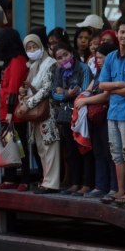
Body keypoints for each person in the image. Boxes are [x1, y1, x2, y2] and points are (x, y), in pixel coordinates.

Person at [97, 21, 125, 205]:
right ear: (117, 33)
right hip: (112, 112)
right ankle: (120, 190)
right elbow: (101, 84)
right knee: (116, 153)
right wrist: (119, 84)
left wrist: (112, 86)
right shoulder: (111, 57)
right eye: (122, 32)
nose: (124, 36)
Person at [74, 42, 119, 199]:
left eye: (101, 57)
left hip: (108, 114)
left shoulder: (113, 70)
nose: (98, 60)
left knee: (110, 152)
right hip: (96, 117)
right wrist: (84, 96)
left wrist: (86, 101)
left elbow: (106, 95)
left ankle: (114, 187)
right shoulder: (99, 72)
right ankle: (100, 185)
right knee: (98, 152)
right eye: (96, 57)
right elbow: (89, 89)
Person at [18, 34, 61, 194]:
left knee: (49, 145)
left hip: (47, 111)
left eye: (34, 47)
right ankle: (46, 180)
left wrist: (28, 103)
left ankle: (51, 183)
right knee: (42, 147)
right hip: (37, 112)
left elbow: (46, 88)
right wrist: (24, 91)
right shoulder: (33, 65)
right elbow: (35, 88)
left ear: (40, 46)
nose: (32, 50)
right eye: (28, 48)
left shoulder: (50, 64)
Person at [51, 43, 92, 195]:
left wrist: (66, 93)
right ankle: (75, 183)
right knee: (71, 151)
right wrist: (68, 94)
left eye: (66, 55)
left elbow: (86, 90)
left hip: (82, 113)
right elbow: (54, 93)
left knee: (84, 148)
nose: (63, 60)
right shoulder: (58, 70)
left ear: (72, 53)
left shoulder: (83, 68)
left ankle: (87, 184)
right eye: (59, 58)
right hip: (66, 115)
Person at [0, 29, 30, 191]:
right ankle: (9, 178)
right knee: (8, 145)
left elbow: (14, 87)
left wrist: (9, 112)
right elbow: (2, 86)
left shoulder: (17, 60)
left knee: (20, 146)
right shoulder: (8, 60)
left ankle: (25, 178)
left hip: (14, 112)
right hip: (4, 112)